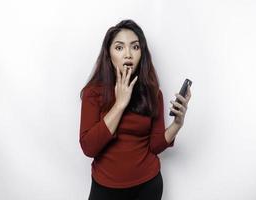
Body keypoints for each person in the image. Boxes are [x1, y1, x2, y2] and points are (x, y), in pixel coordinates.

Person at [79, 19, 191, 200]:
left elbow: (155, 146)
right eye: (119, 47)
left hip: (147, 186)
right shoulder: (93, 93)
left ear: (142, 53)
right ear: (109, 54)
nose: (128, 54)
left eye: (135, 47)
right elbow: (89, 148)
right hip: (105, 188)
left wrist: (177, 124)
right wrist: (120, 104)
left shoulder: (153, 93)